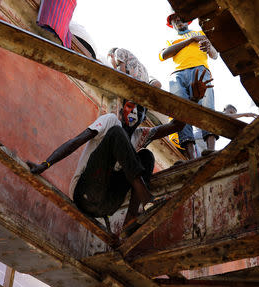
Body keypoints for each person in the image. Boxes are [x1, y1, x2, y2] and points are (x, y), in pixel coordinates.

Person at [26, 69, 212, 235]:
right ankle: (145, 196)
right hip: (86, 192)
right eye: (130, 106)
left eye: (139, 109)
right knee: (116, 132)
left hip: (108, 204)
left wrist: (193, 100)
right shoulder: (110, 120)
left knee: (147, 156)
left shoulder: (141, 135)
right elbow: (76, 141)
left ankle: (130, 220)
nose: (133, 112)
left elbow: (177, 125)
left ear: (143, 117)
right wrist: (45, 164)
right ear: (123, 107)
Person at [159, 12, 219, 159]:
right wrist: (191, 40)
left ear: (188, 21)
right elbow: (164, 55)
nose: (179, 21)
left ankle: (211, 149)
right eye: (175, 20)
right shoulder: (172, 40)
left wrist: (208, 46)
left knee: (207, 104)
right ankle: (191, 155)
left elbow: (214, 55)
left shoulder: (200, 33)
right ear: (172, 25)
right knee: (181, 110)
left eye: (181, 18)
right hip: (178, 74)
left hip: (200, 68)